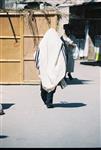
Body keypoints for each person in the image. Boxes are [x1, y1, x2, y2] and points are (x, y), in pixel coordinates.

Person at [34, 28, 67, 108]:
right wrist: (63, 68)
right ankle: (48, 102)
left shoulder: (43, 43)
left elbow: (37, 55)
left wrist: (38, 65)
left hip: (44, 68)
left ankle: (47, 101)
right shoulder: (59, 43)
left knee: (44, 85)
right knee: (52, 86)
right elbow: (64, 56)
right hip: (54, 68)